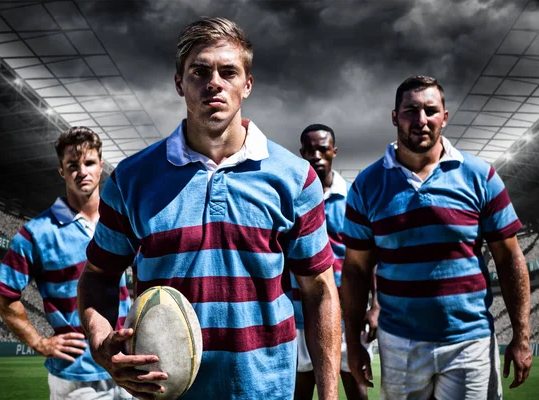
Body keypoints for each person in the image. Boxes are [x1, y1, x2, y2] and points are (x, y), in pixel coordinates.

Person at [77, 17, 341, 400]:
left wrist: (330, 395)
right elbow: (98, 276)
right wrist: (101, 342)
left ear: (247, 84)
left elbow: (319, 290)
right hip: (166, 390)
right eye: (199, 71)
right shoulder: (131, 179)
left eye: (228, 71)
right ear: (179, 82)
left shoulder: (294, 178)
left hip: (266, 390)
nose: (214, 82)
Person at [340, 76, 532, 399]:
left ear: (444, 116)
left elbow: (510, 258)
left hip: (469, 341)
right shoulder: (366, 185)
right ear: (394, 117)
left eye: (430, 110)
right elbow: (356, 271)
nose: (421, 120)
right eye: (410, 111)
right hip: (399, 343)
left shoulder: (480, 176)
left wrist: (522, 336)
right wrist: (355, 345)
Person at [0, 127, 131, 399]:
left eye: (89, 163)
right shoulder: (37, 232)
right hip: (76, 376)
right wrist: (38, 341)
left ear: (101, 166)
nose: (82, 171)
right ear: (62, 172)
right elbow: (1, 295)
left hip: (125, 363)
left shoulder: (120, 221)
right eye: (72, 165)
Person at [293, 124, 373, 400]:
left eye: (323, 148)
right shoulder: (290, 199)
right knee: (300, 392)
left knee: (356, 390)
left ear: (334, 151)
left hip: (347, 314)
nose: (316, 155)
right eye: (310, 149)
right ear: (301, 153)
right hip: (300, 315)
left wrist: (375, 307)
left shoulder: (353, 198)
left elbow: (369, 259)